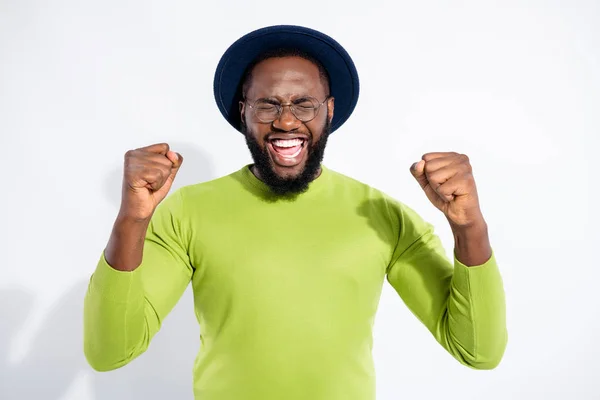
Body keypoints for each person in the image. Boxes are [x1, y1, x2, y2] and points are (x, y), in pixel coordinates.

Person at [83, 25, 507, 400]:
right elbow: (109, 352)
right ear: (243, 112)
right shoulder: (188, 212)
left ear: (330, 111)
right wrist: (131, 220)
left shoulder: (383, 215)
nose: (286, 121)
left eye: (303, 103)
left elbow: (478, 351)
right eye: (268, 104)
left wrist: (470, 228)